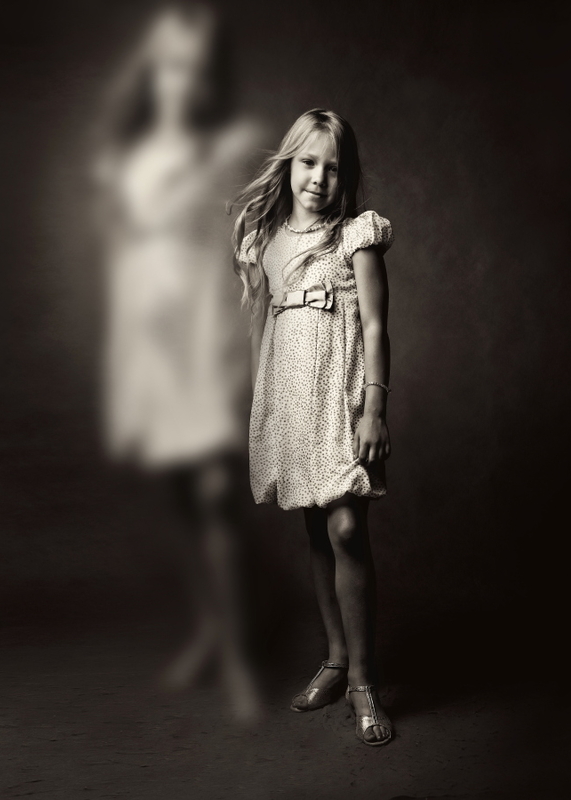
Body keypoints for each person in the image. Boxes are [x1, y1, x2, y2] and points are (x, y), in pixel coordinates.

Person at [94, 1, 266, 722]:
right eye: (169, 65)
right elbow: (124, 252)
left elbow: (239, 248)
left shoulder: (231, 146)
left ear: (208, 79)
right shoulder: (123, 159)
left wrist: (231, 347)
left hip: (201, 332)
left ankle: (238, 658)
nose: (182, 81)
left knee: (214, 492)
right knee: (175, 493)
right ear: (151, 70)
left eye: (195, 69)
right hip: (147, 336)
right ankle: (209, 629)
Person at [232, 109, 394, 745]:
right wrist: (263, 408)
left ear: (345, 176)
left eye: (333, 167)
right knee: (316, 531)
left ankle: (363, 681)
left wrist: (375, 407)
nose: (318, 178)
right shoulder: (266, 244)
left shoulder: (356, 235)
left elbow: (376, 327)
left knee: (346, 526)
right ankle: (334, 660)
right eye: (307, 162)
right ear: (289, 164)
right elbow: (260, 329)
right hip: (291, 399)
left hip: (341, 396)